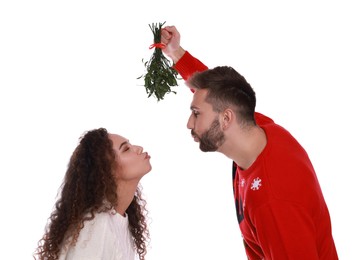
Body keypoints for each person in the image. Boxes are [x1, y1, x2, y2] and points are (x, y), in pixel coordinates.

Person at [161, 26, 338, 259]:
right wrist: (176, 53)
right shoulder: (261, 130)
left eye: (196, 113)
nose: (188, 124)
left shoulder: (273, 202)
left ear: (226, 118)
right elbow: (218, 94)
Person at [34, 128, 151, 260]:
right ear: (108, 170)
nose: (139, 148)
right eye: (126, 149)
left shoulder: (120, 222)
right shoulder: (97, 225)